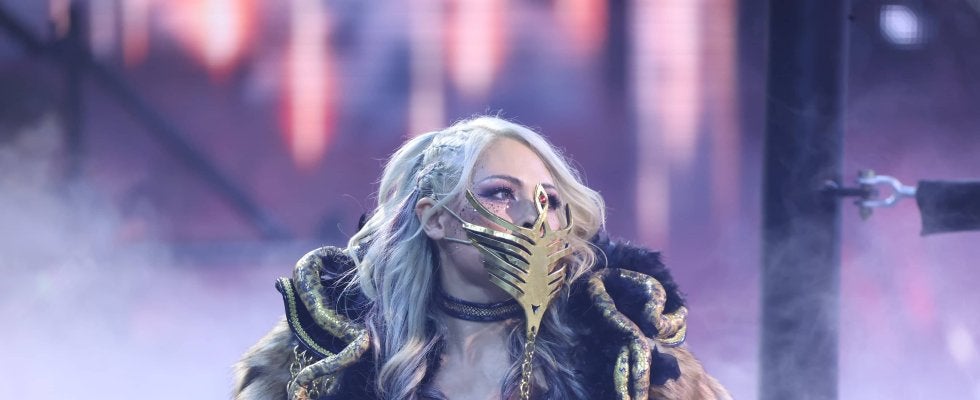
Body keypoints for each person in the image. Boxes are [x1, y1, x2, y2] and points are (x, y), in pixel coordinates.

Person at [233, 116, 730, 400]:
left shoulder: (630, 360)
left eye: (550, 200)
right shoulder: (324, 357)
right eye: (500, 193)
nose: (534, 217)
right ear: (436, 219)